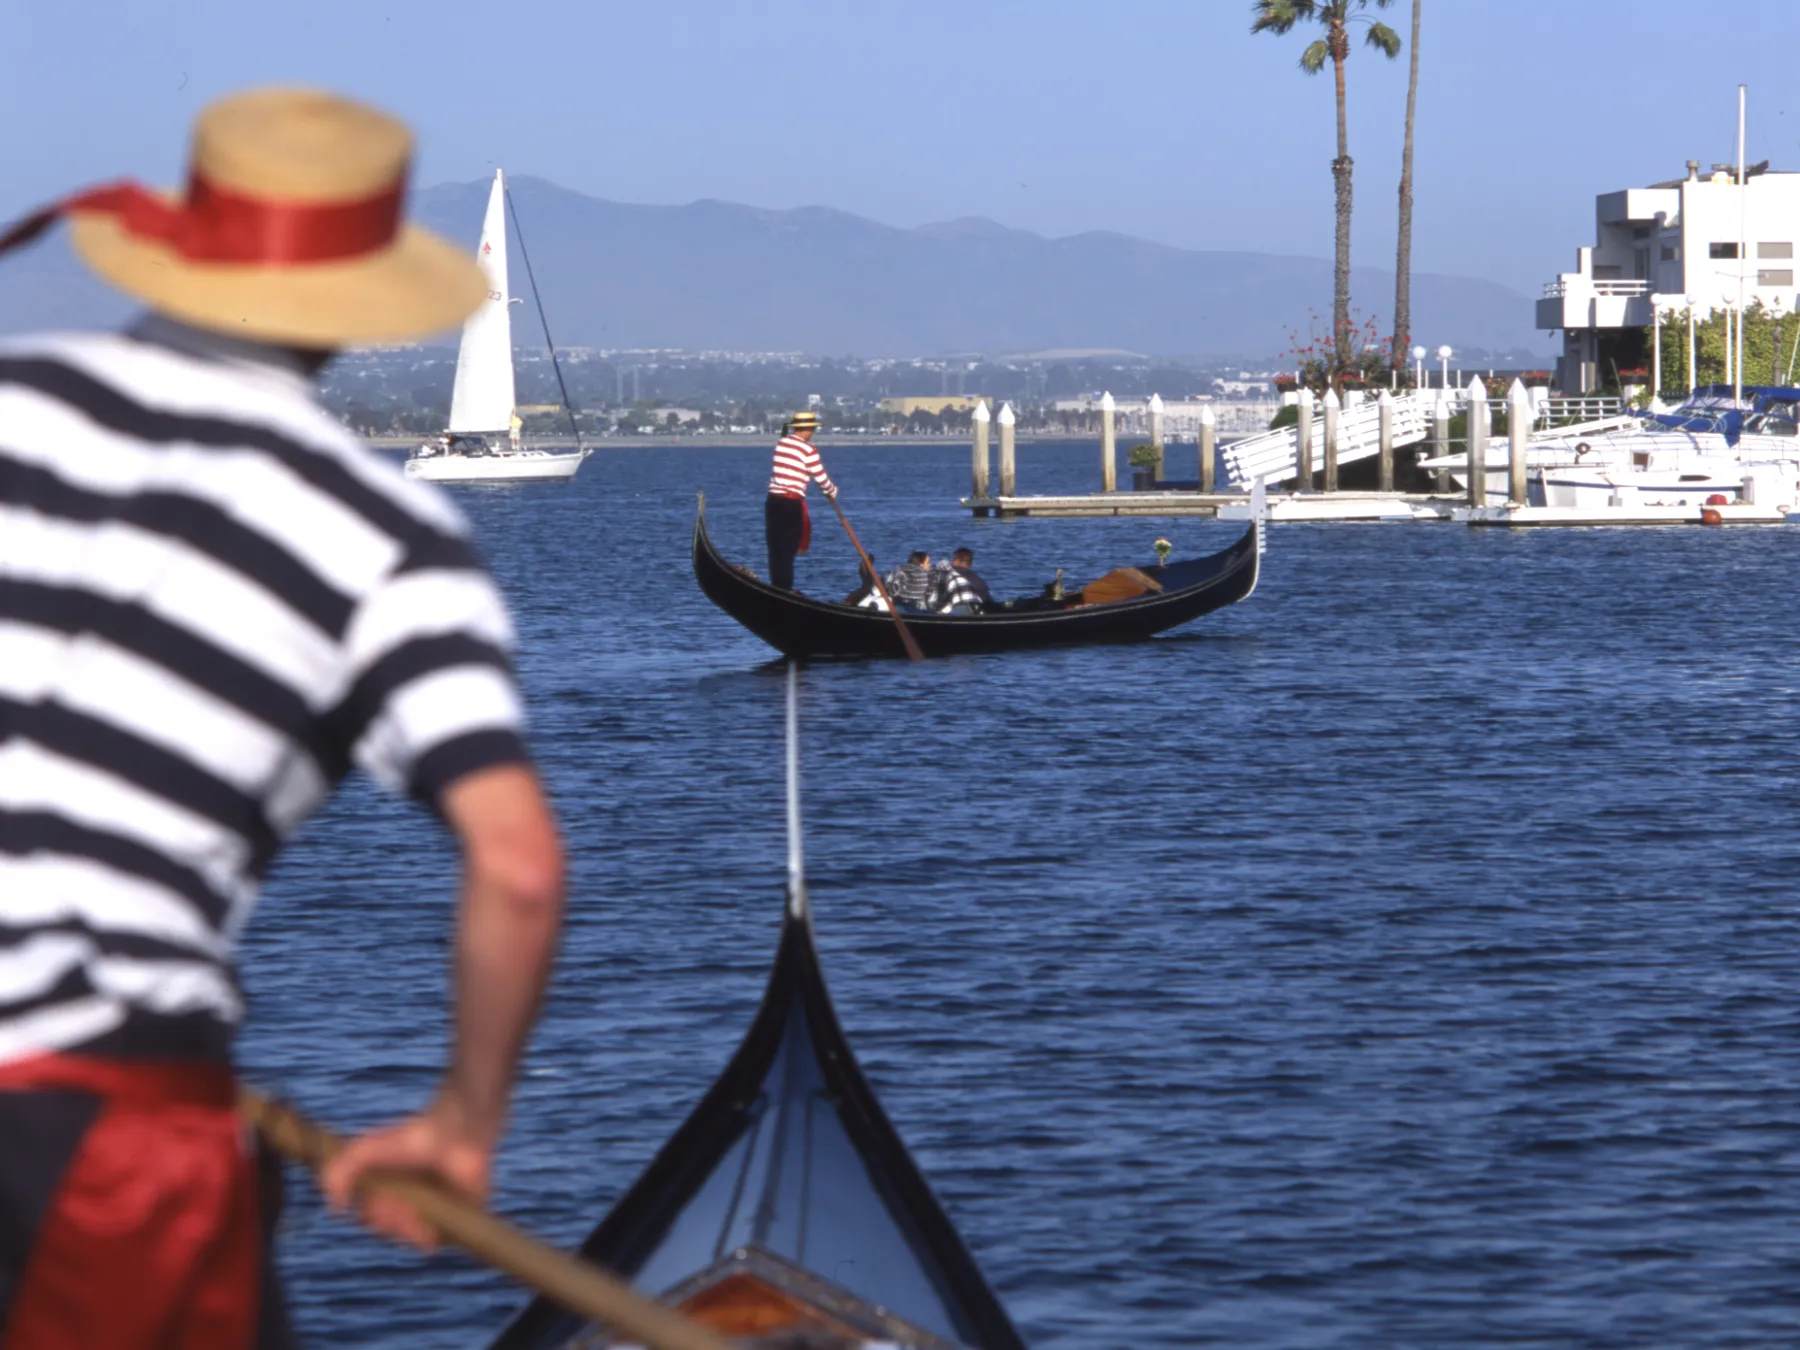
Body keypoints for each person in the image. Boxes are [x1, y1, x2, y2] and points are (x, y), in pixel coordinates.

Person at [0, 87, 564, 1346]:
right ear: (363, 292)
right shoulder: (388, 539)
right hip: (95, 1128)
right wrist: (464, 1126)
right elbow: (519, 867)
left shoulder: (12, 402)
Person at [764, 409, 836, 590]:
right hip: (790, 504)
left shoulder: (781, 444)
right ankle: (784, 590)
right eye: (812, 429)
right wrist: (832, 492)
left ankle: (777, 587)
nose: (813, 433)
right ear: (808, 428)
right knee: (787, 551)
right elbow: (821, 479)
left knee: (775, 549)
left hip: (772, 503)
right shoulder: (808, 450)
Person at [936, 547, 992, 614]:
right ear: (970, 563)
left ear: (956, 560)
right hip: (975, 613)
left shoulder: (945, 575)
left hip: (951, 614)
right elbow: (988, 603)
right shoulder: (980, 582)